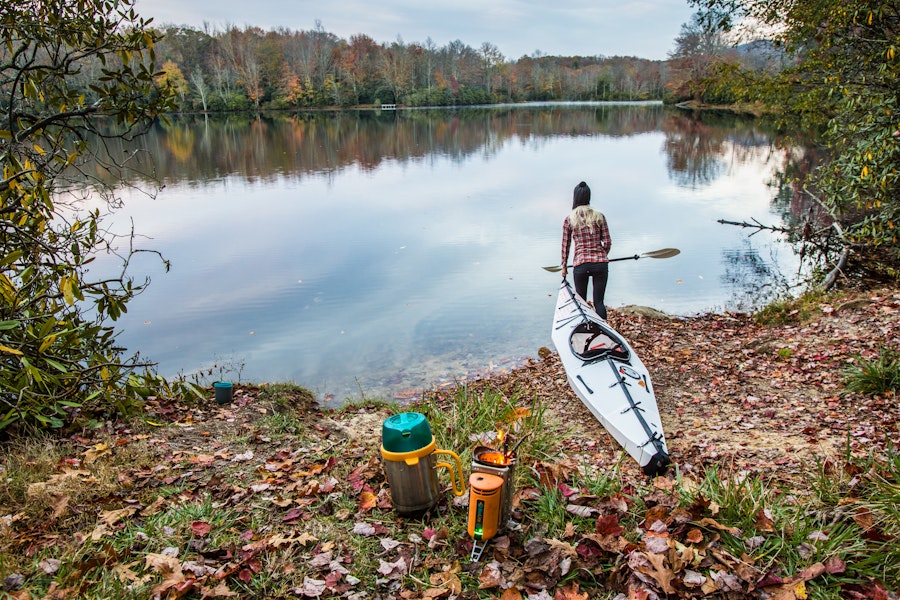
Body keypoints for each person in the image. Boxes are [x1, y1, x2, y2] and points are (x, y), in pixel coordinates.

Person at [561, 181, 611, 319]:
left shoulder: (569, 219)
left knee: (581, 303)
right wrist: (602, 256)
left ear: (575, 197)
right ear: (588, 196)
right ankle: (603, 329)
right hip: (600, 264)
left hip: (580, 264)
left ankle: (584, 329)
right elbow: (607, 242)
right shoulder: (599, 216)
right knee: (599, 302)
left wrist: (564, 266)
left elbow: (566, 245)